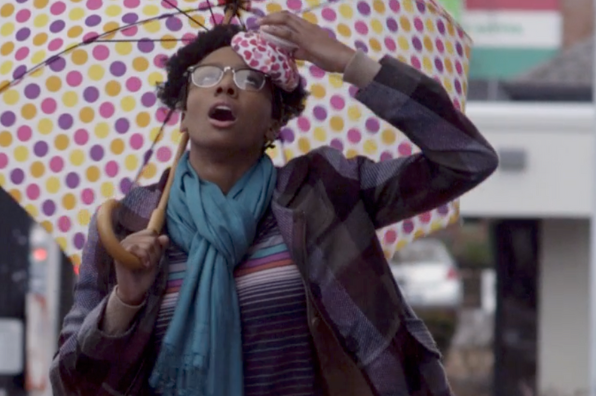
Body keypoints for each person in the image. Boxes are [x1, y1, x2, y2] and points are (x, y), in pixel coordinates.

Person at [51, 12, 498, 396]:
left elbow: (466, 158)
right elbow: (73, 384)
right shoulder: (128, 224)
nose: (225, 88)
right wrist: (125, 301)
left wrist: (347, 62)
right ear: (183, 109)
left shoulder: (326, 190)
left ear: (275, 120)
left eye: (250, 80)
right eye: (207, 78)